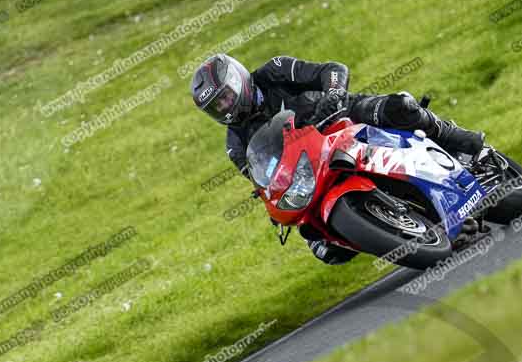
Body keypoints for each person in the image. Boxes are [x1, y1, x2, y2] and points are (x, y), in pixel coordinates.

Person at [190, 53, 485, 264]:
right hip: (312, 166)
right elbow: (264, 180)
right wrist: (273, 198)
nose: (226, 107)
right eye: (217, 107)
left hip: (340, 117)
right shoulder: (235, 145)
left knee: (401, 108)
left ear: (238, 79)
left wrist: (333, 93)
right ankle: (414, 225)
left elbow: (332, 70)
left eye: (226, 96)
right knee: (324, 247)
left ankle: (459, 140)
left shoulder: (273, 71)